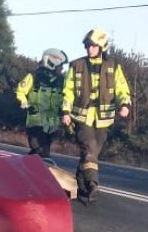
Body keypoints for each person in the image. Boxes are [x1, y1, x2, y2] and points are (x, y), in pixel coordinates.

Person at [61, 28, 131, 205]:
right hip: (82, 118)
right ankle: (93, 184)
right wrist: (65, 111)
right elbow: (67, 92)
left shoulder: (113, 66)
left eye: (93, 46)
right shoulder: (76, 66)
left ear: (101, 47)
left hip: (103, 119)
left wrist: (124, 105)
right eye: (87, 46)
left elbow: (122, 88)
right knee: (90, 149)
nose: (89, 49)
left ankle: (79, 183)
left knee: (90, 154)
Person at [14, 48, 68, 157]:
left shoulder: (62, 82)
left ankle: (28, 169)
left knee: (41, 153)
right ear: (51, 63)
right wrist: (25, 104)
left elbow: (67, 99)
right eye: (60, 66)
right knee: (39, 150)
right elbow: (20, 91)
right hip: (35, 122)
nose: (62, 69)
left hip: (51, 126)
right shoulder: (33, 77)